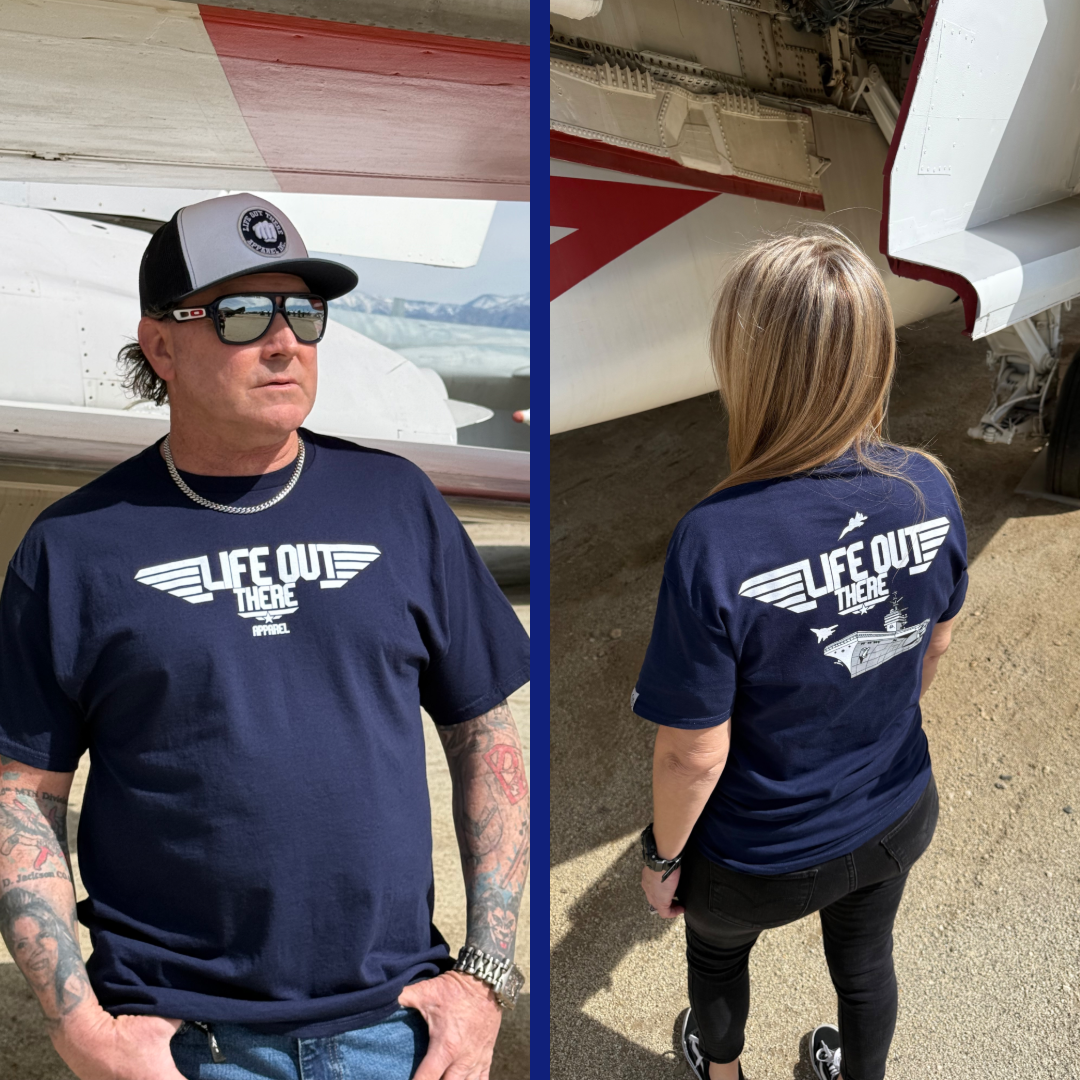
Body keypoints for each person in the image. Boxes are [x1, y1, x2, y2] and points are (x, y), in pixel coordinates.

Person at [0, 193, 530, 1080]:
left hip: (393, 1028)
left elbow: (486, 738)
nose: (284, 340)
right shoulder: (73, 549)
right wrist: (79, 1028)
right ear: (160, 344)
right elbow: (21, 794)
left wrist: (483, 977)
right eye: (244, 313)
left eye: (302, 312)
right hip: (181, 1043)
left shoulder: (397, 504)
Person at [634, 227, 966, 1080]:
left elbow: (691, 750)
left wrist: (665, 857)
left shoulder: (715, 539)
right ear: (875, 354)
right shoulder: (928, 487)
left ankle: (723, 1072)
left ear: (747, 365)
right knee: (865, 967)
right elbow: (931, 650)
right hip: (895, 810)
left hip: (757, 857)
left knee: (715, 960)